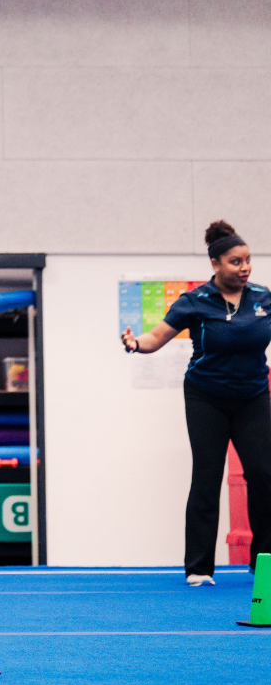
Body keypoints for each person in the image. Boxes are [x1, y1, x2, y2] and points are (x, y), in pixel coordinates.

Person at [122, 220, 271, 585]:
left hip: (253, 396)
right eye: (235, 262)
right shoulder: (195, 301)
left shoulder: (263, 298)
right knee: (207, 477)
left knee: (264, 475)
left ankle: (263, 560)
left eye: (248, 260)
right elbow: (157, 336)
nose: (245, 267)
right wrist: (135, 343)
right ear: (215, 264)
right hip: (207, 397)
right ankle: (200, 567)